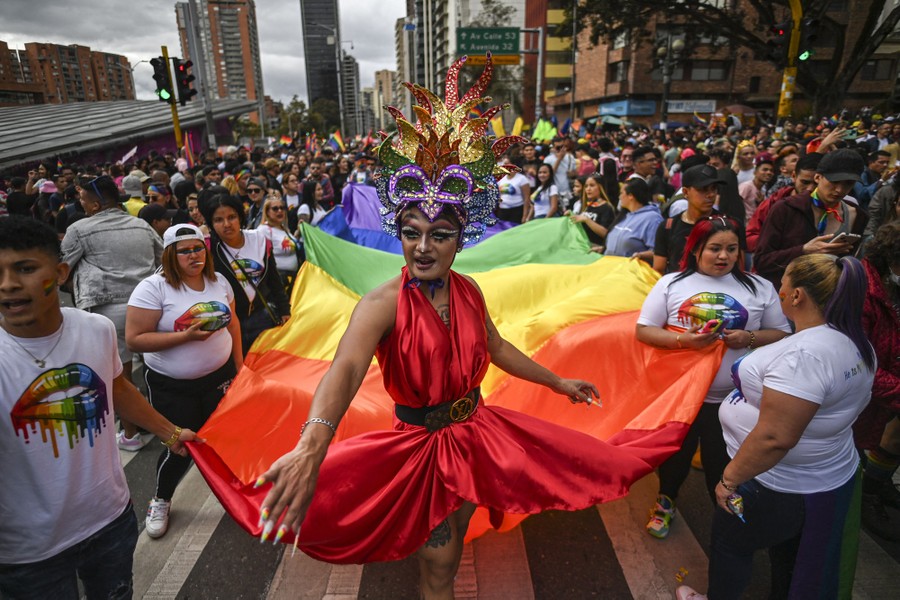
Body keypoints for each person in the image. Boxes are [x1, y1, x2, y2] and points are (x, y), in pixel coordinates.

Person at [253, 61, 650, 600]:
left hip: (475, 433)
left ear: (460, 239)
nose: (423, 246)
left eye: (439, 234)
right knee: (439, 565)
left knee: (459, 539)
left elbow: (496, 346)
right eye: (411, 232)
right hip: (420, 447)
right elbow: (345, 370)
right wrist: (311, 444)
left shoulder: (468, 290)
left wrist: (557, 383)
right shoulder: (382, 304)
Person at [0, 216, 199, 599]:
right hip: (29, 554)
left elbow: (116, 386)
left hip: (109, 521)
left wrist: (169, 432)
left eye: (24, 269)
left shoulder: (96, 329)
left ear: (60, 273)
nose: (8, 284)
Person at [676, 254, 876, 600]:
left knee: (731, 545)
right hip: (817, 476)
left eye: (783, 282)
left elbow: (774, 438)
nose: (778, 289)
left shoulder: (805, 357)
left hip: (771, 483)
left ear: (797, 295)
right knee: (791, 558)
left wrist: (729, 479)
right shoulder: (852, 339)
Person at [637, 216, 790, 540]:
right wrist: (683, 341)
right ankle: (666, 500)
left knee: (722, 460)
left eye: (731, 249)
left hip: (735, 399)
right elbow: (644, 330)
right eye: (715, 249)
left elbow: (782, 333)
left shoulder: (760, 287)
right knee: (676, 455)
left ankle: (724, 522)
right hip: (682, 396)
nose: (723, 256)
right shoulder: (671, 283)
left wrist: (748, 338)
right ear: (696, 249)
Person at [125, 224, 243, 539]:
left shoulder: (219, 282)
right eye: (185, 250)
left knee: (222, 440)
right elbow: (134, 339)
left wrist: (240, 367)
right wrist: (184, 338)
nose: (195, 256)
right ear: (170, 255)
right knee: (180, 445)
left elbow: (233, 325)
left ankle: (237, 496)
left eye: (198, 248)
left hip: (220, 379)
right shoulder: (153, 288)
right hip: (173, 386)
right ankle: (161, 498)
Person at [61, 174, 162, 451]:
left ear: (95, 205)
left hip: (108, 313)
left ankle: (131, 434)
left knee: (121, 377)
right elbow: (161, 259)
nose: (80, 204)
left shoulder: (79, 229)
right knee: (157, 365)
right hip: (148, 306)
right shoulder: (142, 225)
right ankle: (164, 420)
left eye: (83, 200)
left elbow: (61, 268)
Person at [755, 149, 870, 290]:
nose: (839, 190)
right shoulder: (786, 209)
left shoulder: (858, 216)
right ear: (817, 177)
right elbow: (762, 261)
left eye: (848, 184)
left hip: (830, 298)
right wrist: (803, 250)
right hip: (784, 296)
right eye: (834, 182)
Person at [853, 222, 900, 540]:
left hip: (889, 377)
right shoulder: (863, 292)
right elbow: (858, 364)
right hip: (864, 393)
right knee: (853, 453)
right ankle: (863, 497)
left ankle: (876, 487)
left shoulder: (889, 284)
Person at [201, 191, 290, 355]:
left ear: (240, 217)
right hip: (228, 326)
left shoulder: (259, 240)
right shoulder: (208, 249)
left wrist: (284, 310)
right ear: (211, 224)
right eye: (218, 220)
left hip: (262, 318)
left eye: (232, 217)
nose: (227, 224)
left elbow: (274, 279)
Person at [653, 165, 728, 274]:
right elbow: (659, 270)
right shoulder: (668, 227)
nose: (711, 194)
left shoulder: (728, 225)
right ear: (685, 192)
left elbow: (737, 269)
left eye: (714, 188)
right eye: (703, 189)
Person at [606, 178, 663, 259]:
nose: (619, 197)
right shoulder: (625, 215)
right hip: (612, 267)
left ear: (631, 196)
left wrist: (641, 255)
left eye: (621, 193)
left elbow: (659, 252)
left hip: (633, 269)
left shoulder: (653, 219)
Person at [257, 196, 301, 292]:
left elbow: (291, 246)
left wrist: (298, 232)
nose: (280, 211)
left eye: (282, 208)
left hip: (293, 278)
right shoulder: (264, 230)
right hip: (278, 280)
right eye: (275, 208)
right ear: (267, 211)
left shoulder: (284, 228)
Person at [569, 174, 615, 249]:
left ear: (600, 187)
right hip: (583, 246)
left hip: (596, 249)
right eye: (586, 186)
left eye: (592, 185)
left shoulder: (607, 208)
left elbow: (605, 233)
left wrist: (587, 220)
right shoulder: (587, 205)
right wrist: (571, 216)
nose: (588, 189)